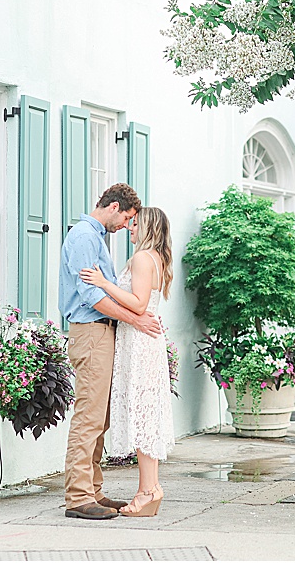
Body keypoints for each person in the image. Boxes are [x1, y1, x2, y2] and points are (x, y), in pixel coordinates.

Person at [58, 184, 161, 520]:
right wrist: (137, 319)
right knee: (89, 418)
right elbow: (91, 295)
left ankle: (94, 492)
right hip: (91, 333)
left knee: (99, 419)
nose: (126, 226)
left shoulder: (97, 237)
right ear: (114, 207)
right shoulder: (85, 236)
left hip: (103, 333)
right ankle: (78, 497)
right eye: (127, 218)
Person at [79, 206, 175, 517]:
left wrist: (103, 283)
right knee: (145, 413)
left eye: (134, 225)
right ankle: (151, 488)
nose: (129, 229)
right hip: (143, 340)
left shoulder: (142, 259)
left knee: (143, 415)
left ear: (146, 227)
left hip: (139, 343)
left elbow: (139, 303)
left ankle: (148, 491)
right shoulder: (155, 258)